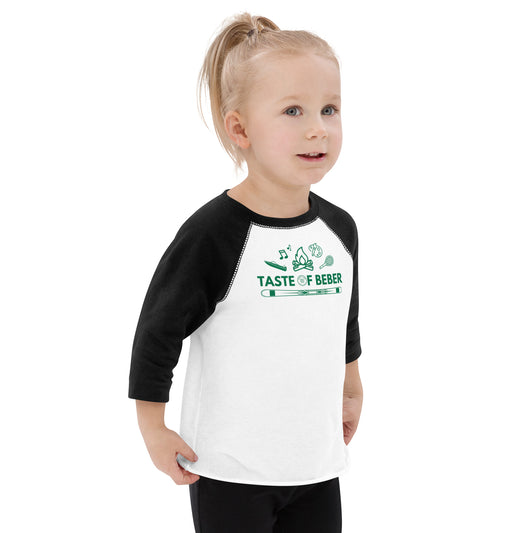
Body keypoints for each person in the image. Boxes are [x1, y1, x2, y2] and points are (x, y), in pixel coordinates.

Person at [128, 12, 364, 533]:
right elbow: (157, 332)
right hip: (228, 470)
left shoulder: (339, 229)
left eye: (329, 109)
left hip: (316, 464)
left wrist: (351, 386)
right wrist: (152, 427)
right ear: (240, 129)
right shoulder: (213, 234)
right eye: (293, 110)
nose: (317, 128)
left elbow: (341, 318)